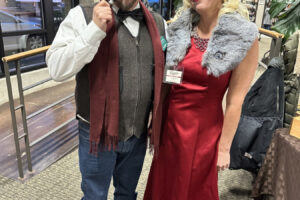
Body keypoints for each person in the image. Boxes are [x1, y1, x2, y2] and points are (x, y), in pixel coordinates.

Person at [46, 0, 167, 199]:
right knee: (95, 195)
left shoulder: (158, 23)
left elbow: (162, 73)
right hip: (97, 132)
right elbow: (56, 69)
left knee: (127, 194)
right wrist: (93, 30)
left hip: (137, 132)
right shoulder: (82, 15)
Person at [143, 0, 259, 199]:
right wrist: (156, 120)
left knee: (195, 187)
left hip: (203, 132)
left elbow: (235, 100)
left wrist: (224, 148)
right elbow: (166, 83)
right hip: (170, 127)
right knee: (166, 183)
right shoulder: (179, 28)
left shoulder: (242, 37)